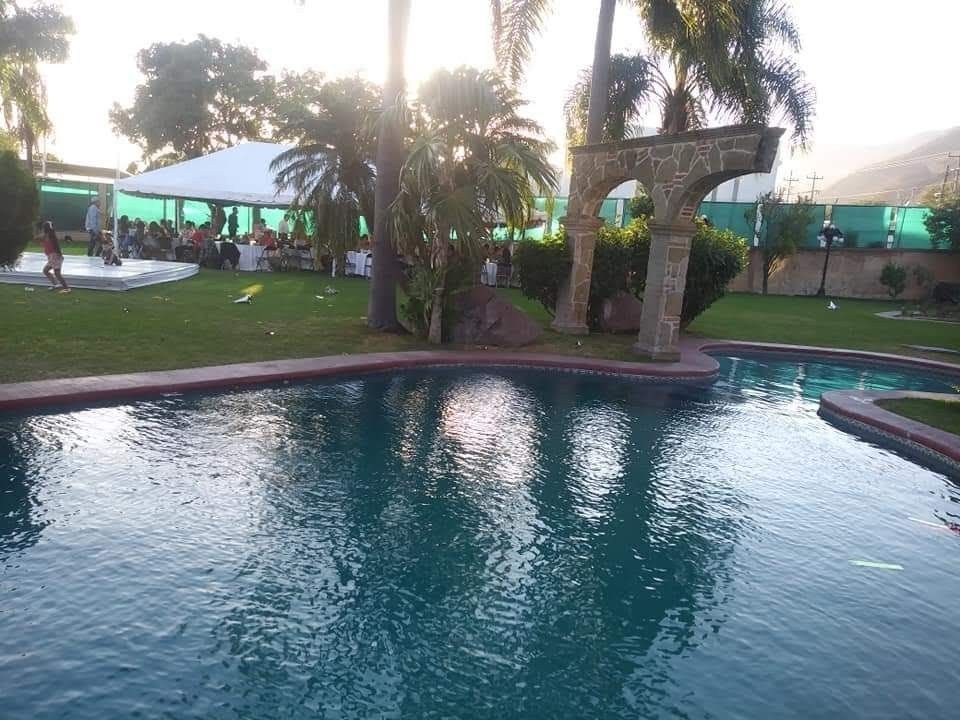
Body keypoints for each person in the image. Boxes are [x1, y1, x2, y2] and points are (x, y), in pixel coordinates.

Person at [39, 221, 69, 292]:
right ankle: (58, 285)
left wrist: (59, 255)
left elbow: (56, 246)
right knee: (51, 272)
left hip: (54, 256)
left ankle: (66, 288)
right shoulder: (47, 235)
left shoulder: (50, 235)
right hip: (52, 256)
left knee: (52, 272)